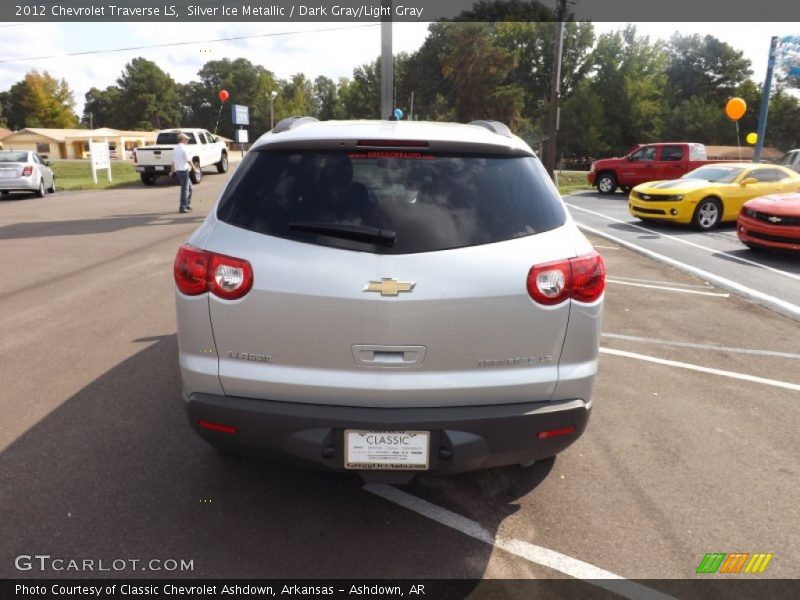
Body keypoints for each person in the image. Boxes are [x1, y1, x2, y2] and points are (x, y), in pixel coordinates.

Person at [171, 133, 194, 213]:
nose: (188, 140)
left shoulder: (176, 148)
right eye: (186, 139)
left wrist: (172, 171)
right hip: (184, 171)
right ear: (182, 139)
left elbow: (173, 161)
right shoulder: (184, 148)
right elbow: (188, 160)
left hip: (179, 171)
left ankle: (186, 204)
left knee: (190, 188)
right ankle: (183, 207)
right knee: (185, 190)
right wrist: (195, 168)